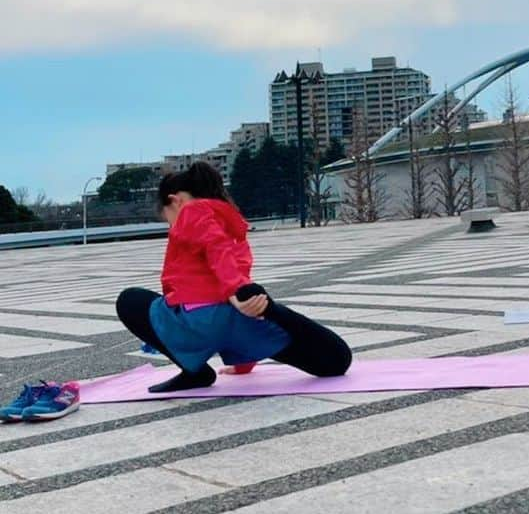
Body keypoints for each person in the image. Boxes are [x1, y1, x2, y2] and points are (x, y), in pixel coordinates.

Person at [114, 162, 352, 393]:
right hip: (242, 320)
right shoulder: (228, 220)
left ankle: (194, 371)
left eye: (167, 216)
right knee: (336, 361)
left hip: (198, 320)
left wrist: (233, 291)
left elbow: (215, 248)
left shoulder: (192, 211)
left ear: (176, 200)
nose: (171, 225)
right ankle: (271, 311)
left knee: (130, 300)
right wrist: (243, 358)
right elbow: (227, 260)